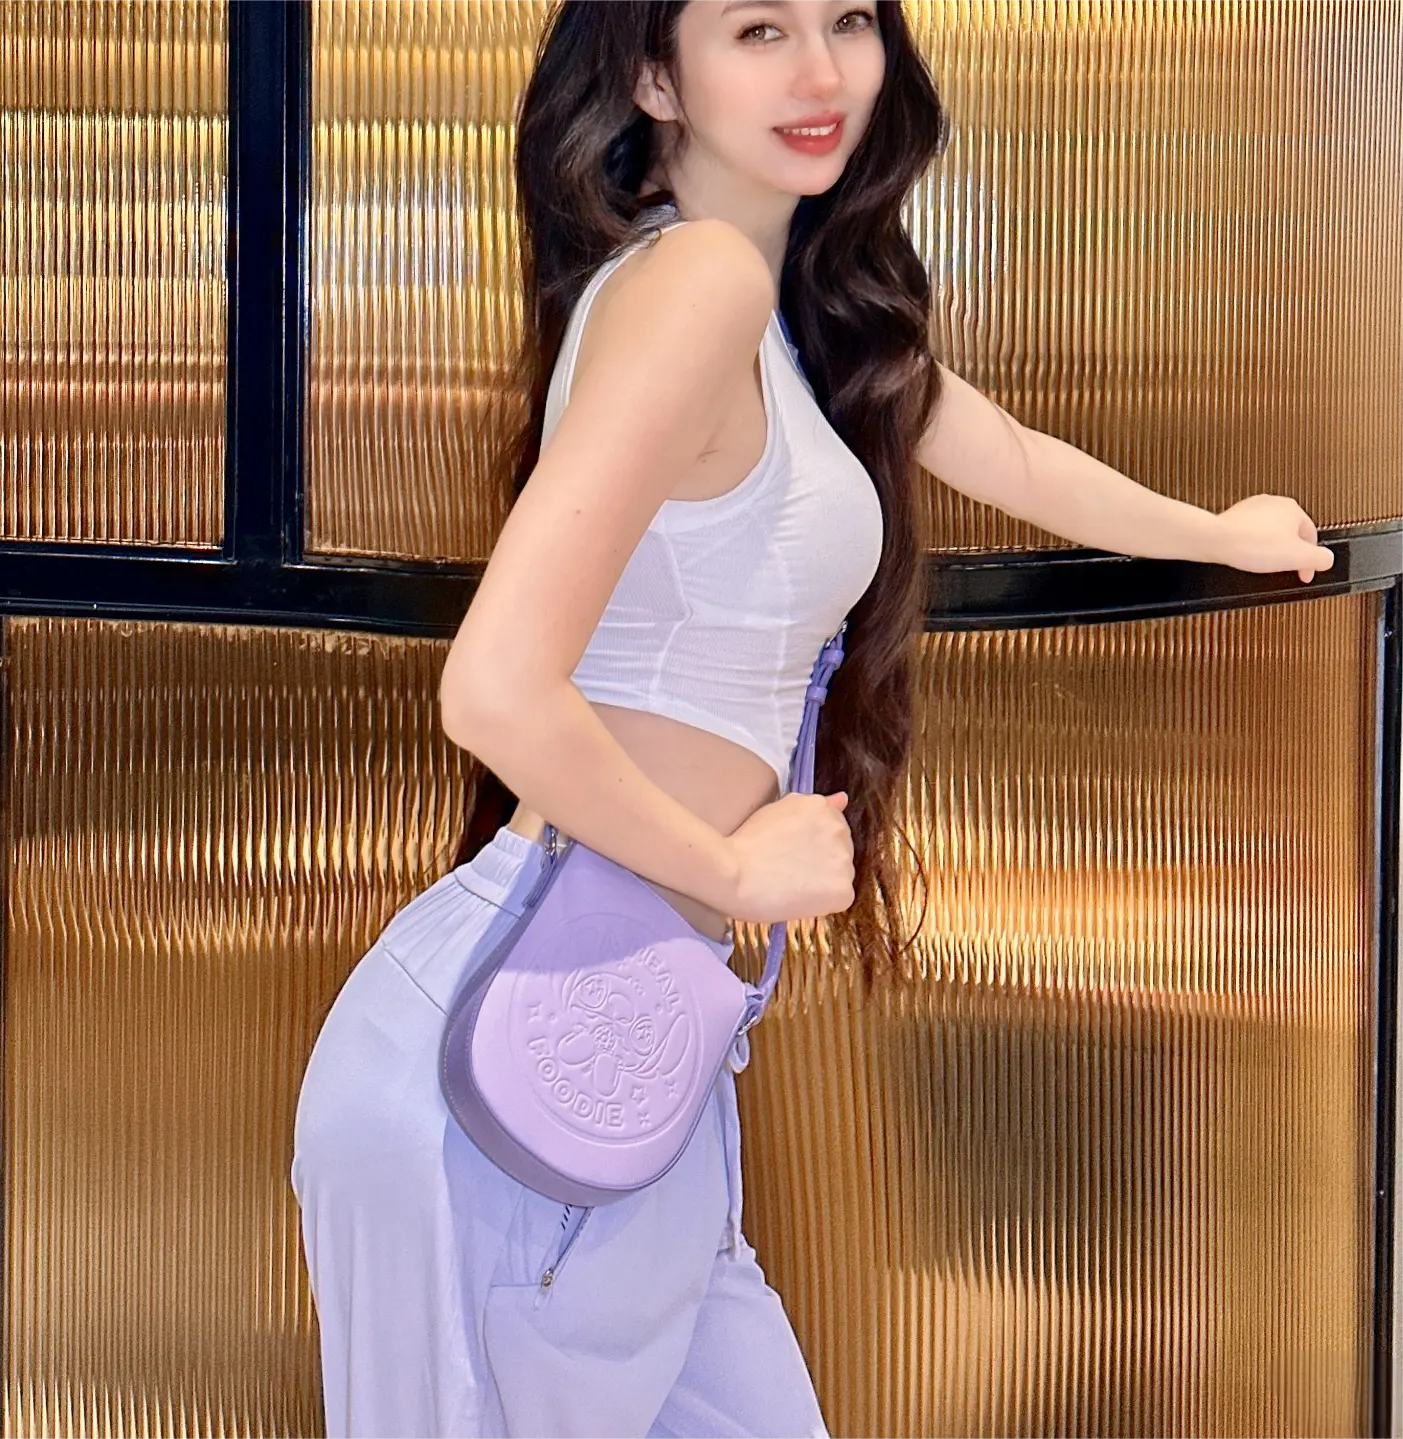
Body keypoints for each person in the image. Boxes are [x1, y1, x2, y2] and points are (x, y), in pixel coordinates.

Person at [290, 1, 1335, 1434]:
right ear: (653, 77)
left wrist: (1217, 534)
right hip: (514, 1059)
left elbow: (1009, 454)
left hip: (639, 1048)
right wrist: (732, 870)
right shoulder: (696, 284)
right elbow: (493, 686)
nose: (822, 69)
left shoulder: (786, 314)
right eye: (757, 30)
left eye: (846, 18)